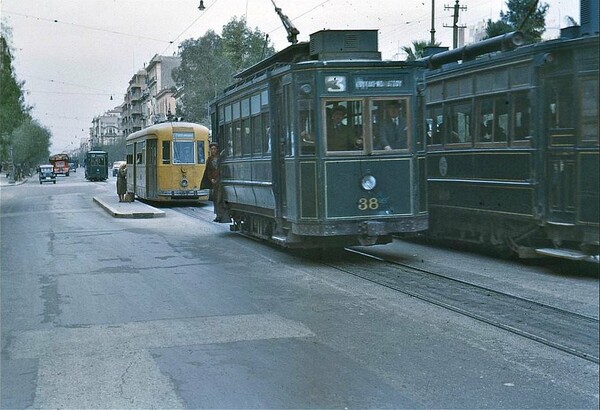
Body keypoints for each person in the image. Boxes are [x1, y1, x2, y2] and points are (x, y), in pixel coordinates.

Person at [200, 143, 227, 222]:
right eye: (212, 149)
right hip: (214, 182)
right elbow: (208, 171)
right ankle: (217, 215)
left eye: (214, 149)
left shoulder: (220, 159)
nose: (213, 150)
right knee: (215, 199)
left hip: (220, 181)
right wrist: (211, 179)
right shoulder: (209, 160)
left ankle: (220, 215)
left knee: (219, 198)